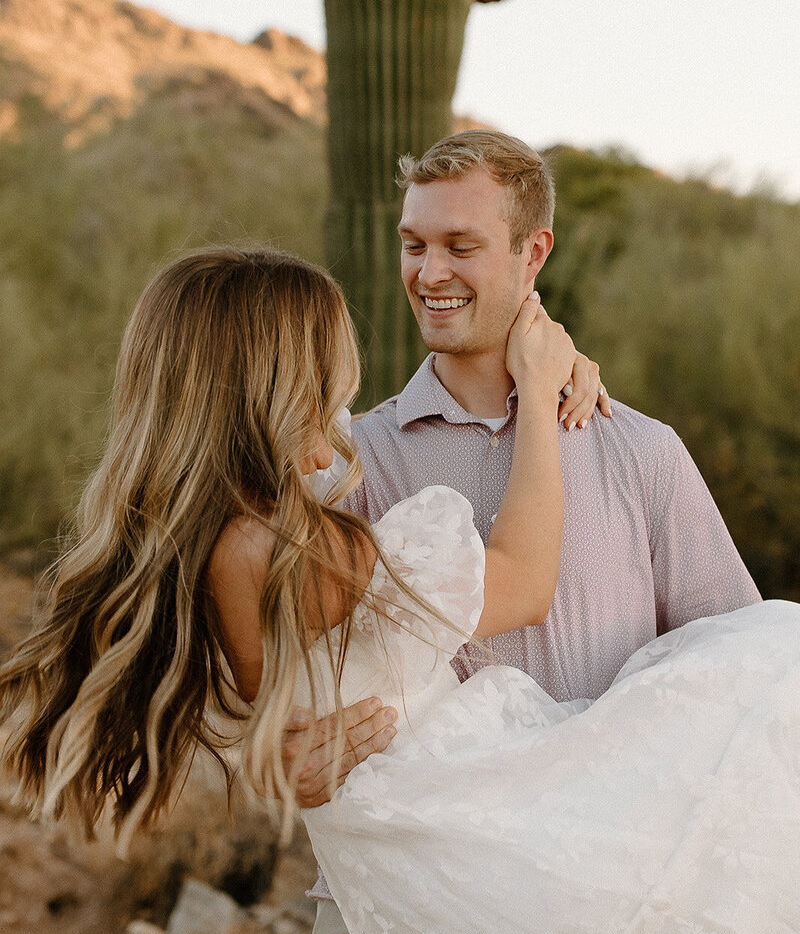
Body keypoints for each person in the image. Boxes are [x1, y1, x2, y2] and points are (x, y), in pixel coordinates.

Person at [1, 246, 797, 934]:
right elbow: (521, 583)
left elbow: (272, 718)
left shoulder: (219, 537)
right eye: (326, 363)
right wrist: (540, 403)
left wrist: (552, 368)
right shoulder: (283, 545)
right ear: (279, 380)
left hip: (401, 840)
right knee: (770, 668)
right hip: (464, 820)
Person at [290, 131, 763, 932]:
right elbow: (284, 680)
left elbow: (738, 679)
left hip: (609, 900)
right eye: (414, 245)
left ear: (532, 252)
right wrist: (284, 760)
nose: (429, 274)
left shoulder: (641, 453)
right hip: (402, 901)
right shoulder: (348, 463)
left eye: (460, 247)